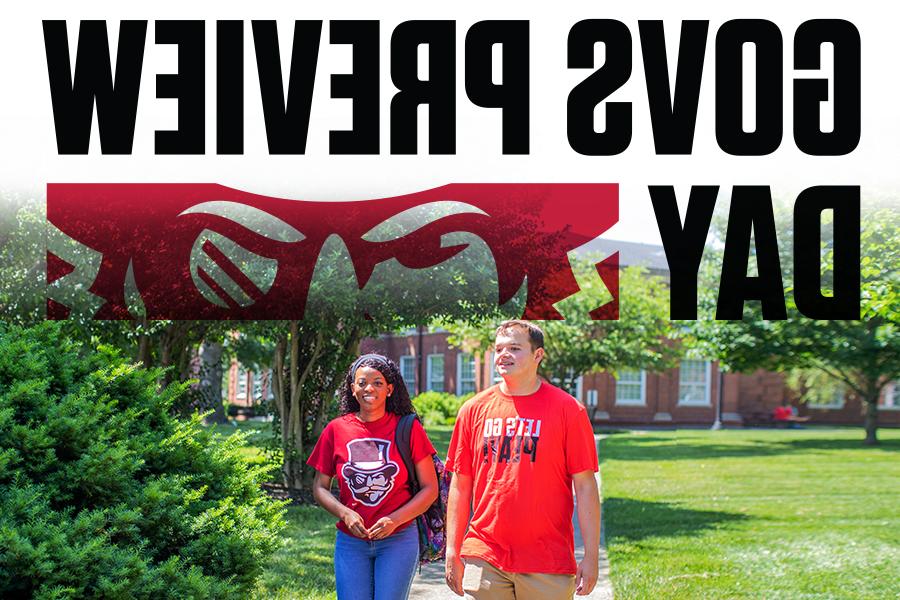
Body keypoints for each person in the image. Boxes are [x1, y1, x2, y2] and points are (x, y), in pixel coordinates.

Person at [444, 320, 601, 599]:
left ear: (537, 355)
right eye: (499, 348)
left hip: (547, 559)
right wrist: (452, 549)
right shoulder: (472, 410)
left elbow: (586, 486)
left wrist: (590, 556)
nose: (504, 354)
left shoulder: (568, 410)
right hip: (486, 552)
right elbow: (459, 485)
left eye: (515, 348)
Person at [307, 354, 438, 600]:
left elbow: (429, 489)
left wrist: (394, 520)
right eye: (362, 382)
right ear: (352, 388)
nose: (370, 388)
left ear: (389, 389)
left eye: (378, 383)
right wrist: (345, 513)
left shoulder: (409, 428)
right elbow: (320, 487)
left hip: (398, 539)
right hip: (351, 541)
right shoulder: (336, 429)